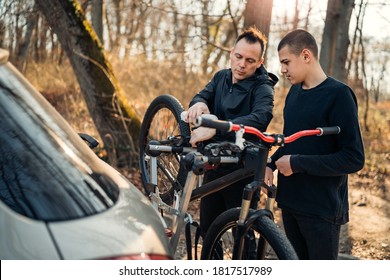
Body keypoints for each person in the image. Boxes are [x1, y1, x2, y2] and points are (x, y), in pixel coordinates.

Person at [264, 29, 365, 260]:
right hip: (289, 205)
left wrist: (297, 164)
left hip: (322, 211)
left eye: (286, 62)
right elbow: (292, 142)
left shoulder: (339, 95)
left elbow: (353, 157)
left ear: (306, 56)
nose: (282, 69)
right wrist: (270, 163)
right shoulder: (293, 93)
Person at [184, 26, 278, 255]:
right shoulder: (221, 77)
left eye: (249, 60)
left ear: (259, 61)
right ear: (231, 52)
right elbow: (202, 95)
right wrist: (199, 103)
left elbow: (260, 118)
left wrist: (216, 129)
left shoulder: (263, 87)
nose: (241, 64)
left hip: (242, 172)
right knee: (208, 230)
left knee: (243, 235)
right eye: (238, 57)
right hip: (214, 166)